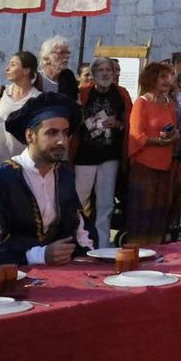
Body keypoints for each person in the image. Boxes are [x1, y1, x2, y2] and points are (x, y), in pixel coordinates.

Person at [0, 92, 92, 265]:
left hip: (59, 275)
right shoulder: (1, 179)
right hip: (13, 277)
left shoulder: (64, 176)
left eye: (65, 133)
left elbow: (80, 231)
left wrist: (90, 255)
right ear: (30, 136)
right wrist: (37, 255)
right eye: (52, 133)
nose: (61, 141)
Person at [124, 61, 181, 244]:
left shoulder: (169, 104)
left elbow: (175, 132)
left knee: (160, 211)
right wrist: (160, 141)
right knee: (142, 213)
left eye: (169, 77)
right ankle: (137, 251)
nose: (167, 81)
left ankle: (157, 250)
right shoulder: (141, 103)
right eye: (162, 77)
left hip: (165, 165)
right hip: (144, 166)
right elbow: (136, 136)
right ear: (152, 79)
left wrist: (172, 137)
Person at [75, 56, 131, 246]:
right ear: (93, 74)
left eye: (109, 70)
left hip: (110, 156)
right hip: (84, 155)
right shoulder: (83, 92)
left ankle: (103, 244)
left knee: (105, 203)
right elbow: (73, 119)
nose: (105, 73)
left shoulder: (121, 94)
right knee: (79, 201)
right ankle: (78, 241)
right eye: (101, 70)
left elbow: (128, 124)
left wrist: (117, 124)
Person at [0, 51, 41, 174]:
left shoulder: (38, 98)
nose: (7, 68)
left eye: (13, 64)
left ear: (26, 70)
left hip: (20, 165)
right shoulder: (1, 92)